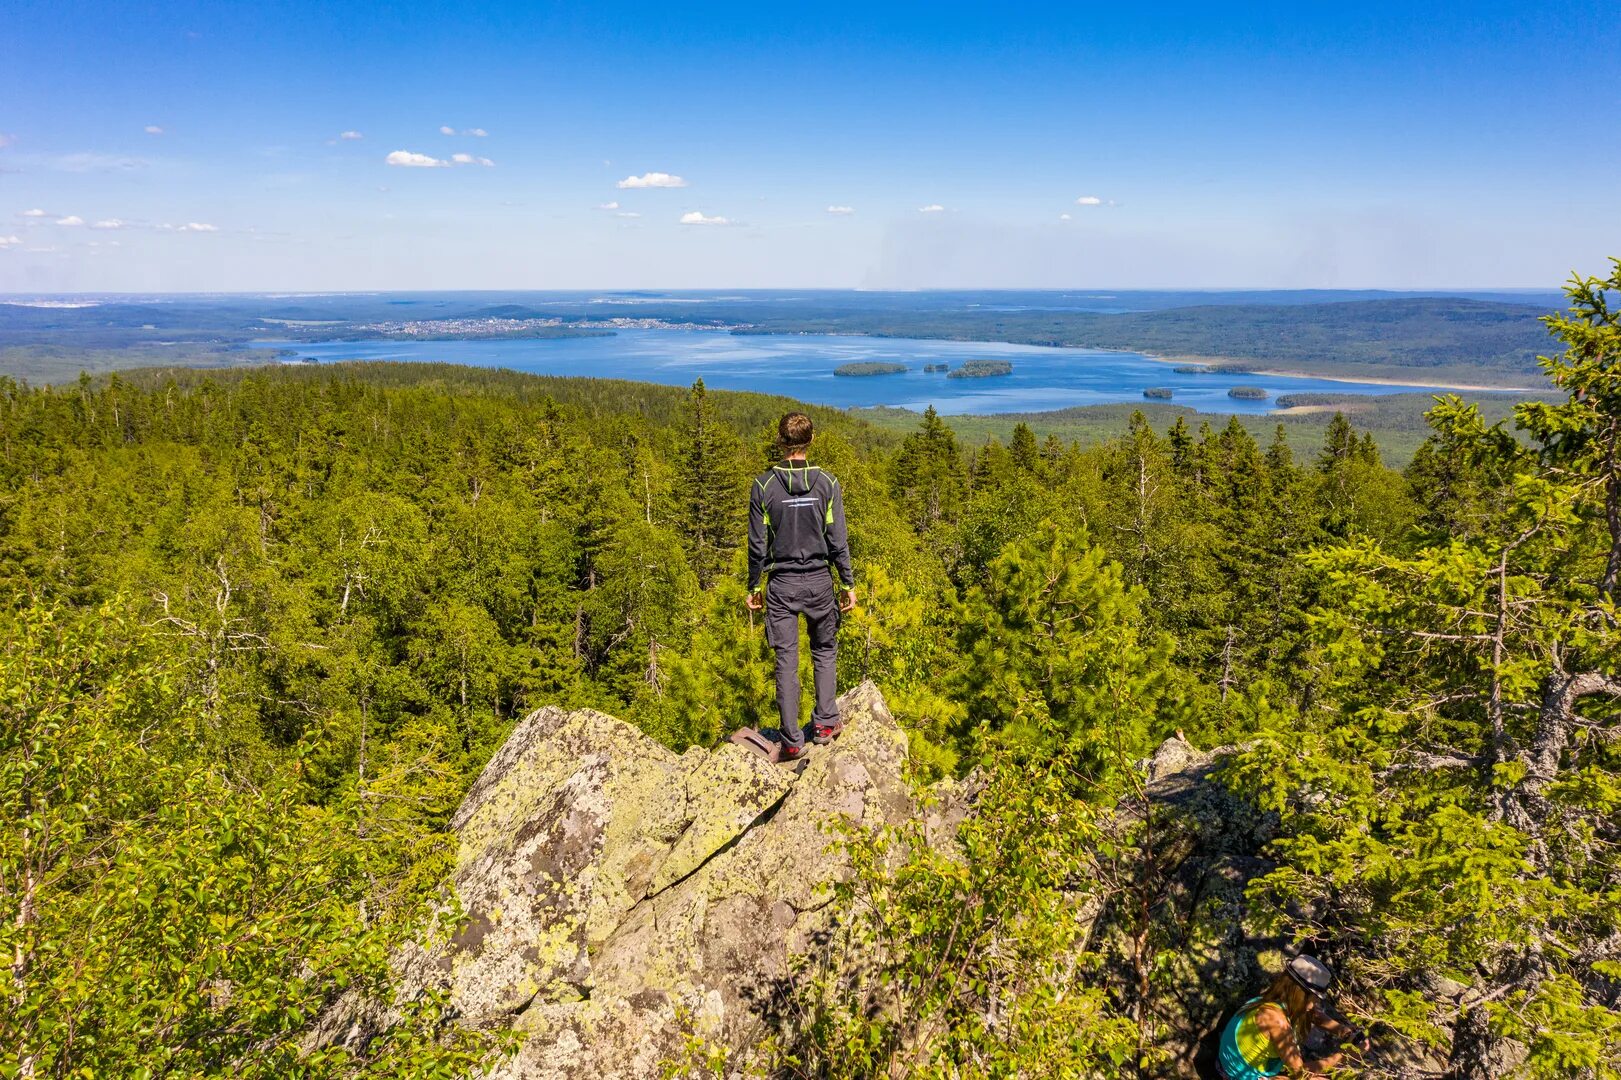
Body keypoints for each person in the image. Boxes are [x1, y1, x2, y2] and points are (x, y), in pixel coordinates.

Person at [745, 412, 856, 760]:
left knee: (787, 662)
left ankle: (792, 741)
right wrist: (848, 582)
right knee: (824, 650)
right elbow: (837, 539)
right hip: (821, 581)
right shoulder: (827, 483)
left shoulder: (764, 487)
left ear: (781, 441)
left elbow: (757, 545)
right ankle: (824, 724)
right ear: (810, 441)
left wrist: (753, 585)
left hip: (782, 585)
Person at [1218, 955, 1368, 1079]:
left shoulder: (1272, 1000)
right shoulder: (1277, 1021)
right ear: (1300, 994)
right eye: (1316, 998)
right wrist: (1346, 1054)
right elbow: (1301, 1073)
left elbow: (1314, 1015)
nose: (1316, 1003)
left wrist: (1345, 1032)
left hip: (1233, 1065)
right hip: (1237, 1075)